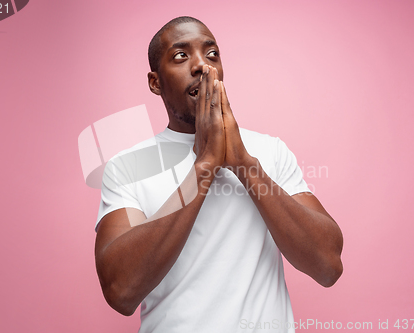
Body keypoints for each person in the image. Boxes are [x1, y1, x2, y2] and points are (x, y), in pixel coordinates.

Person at [94, 16, 343, 333]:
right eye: (181, 56)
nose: (202, 66)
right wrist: (205, 165)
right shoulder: (129, 166)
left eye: (212, 54)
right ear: (155, 82)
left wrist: (242, 162)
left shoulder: (270, 152)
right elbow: (121, 291)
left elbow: (328, 265)